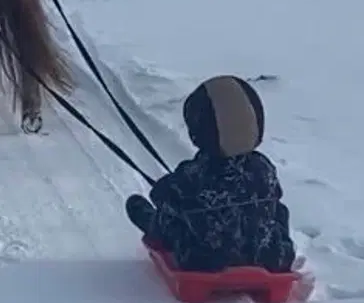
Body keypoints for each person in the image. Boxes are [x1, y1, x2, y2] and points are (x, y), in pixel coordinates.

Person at [125, 75, 297, 273]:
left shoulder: (192, 174)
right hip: (271, 257)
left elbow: (161, 195)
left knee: (172, 217)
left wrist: (169, 188)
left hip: (204, 261)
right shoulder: (265, 168)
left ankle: (152, 225)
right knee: (277, 209)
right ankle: (271, 245)